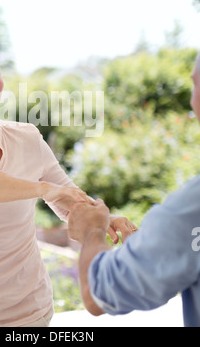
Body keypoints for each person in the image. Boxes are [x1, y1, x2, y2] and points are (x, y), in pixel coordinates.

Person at [0, 34, 136, 327]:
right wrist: (44, 189)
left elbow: (67, 199)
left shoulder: (27, 138)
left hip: (29, 312)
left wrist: (104, 217)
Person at [68, 53, 200, 328]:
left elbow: (97, 293)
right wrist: (153, 252)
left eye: (195, 85)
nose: (192, 100)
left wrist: (92, 230)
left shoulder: (190, 210)